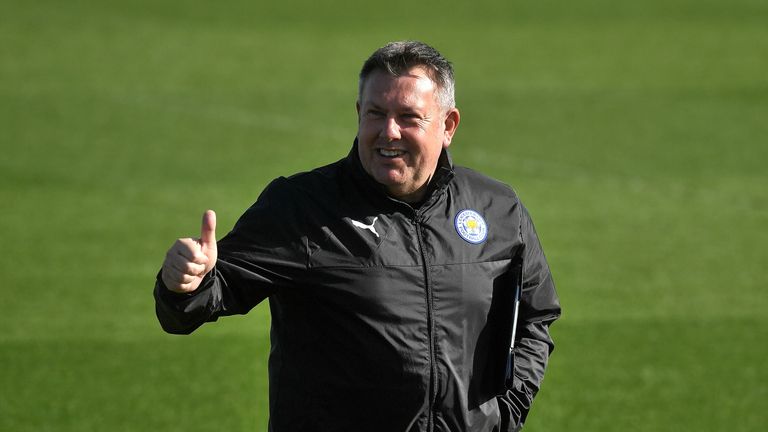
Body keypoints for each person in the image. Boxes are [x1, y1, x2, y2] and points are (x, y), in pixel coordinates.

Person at [155, 40, 560, 432]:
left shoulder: (498, 209)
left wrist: (505, 412)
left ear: (448, 125)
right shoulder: (303, 208)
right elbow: (209, 296)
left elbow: (535, 316)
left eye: (408, 117)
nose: (389, 132)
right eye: (375, 113)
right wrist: (186, 284)